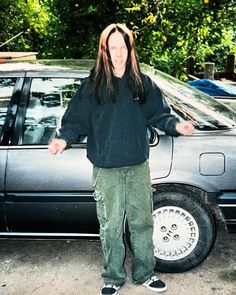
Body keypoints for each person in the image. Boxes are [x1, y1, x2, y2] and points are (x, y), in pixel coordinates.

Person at [48, 23, 195, 295]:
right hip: (106, 169)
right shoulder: (92, 86)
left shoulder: (142, 83)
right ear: (104, 51)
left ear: (130, 49)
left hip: (138, 165)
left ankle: (145, 273)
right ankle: (113, 277)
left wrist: (177, 126)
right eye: (112, 48)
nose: (118, 53)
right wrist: (63, 139)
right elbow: (75, 122)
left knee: (142, 223)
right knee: (111, 226)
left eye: (122, 47)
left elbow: (160, 115)